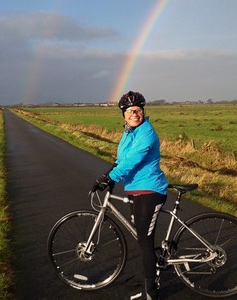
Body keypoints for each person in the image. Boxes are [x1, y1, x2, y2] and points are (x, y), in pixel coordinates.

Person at [91, 91, 168, 300]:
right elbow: (121, 160)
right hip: (136, 190)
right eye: (130, 111)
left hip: (150, 191)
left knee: (144, 241)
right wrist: (105, 176)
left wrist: (112, 178)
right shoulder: (128, 133)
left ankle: (151, 293)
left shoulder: (146, 133)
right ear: (123, 115)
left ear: (143, 111)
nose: (135, 113)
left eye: (138, 110)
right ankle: (157, 259)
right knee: (143, 238)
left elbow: (133, 160)